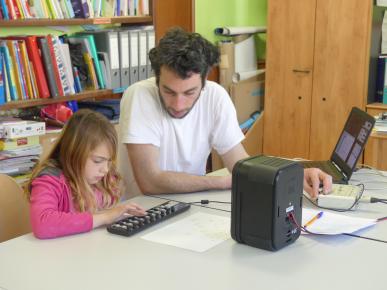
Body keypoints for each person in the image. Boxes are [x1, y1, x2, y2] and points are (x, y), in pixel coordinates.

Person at [119, 27, 331, 198]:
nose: (178, 104)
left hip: (189, 206)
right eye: (168, 91)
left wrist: (293, 176)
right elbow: (150, 182)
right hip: (142, 212)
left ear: (204, 81)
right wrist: (219, 182)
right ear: (157, 79)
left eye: (190, 92)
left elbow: (240, 163)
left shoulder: (215, 96)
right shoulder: (139, 96)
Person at [27, 109, 146, 239]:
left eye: (108, 161)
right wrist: (106, 217)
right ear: (73, 154)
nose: (105, 169)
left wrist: (117, 213)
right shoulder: (50, 180)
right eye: (98, 161)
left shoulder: (102, 178)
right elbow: (43, 225)